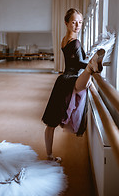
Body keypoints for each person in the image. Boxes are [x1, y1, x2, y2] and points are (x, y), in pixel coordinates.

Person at [42, 8, 105, 163]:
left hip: (65, 79)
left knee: (51, 123)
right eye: (73, 22)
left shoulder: (65, 39)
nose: (77, 25)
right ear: (66, 23)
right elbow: (77, 63)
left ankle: (49, 156)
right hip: (70, 80)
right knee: (51, 123)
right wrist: (88, 62)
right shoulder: (75, 42)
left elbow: (74, 61)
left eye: (80, 22)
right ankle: (92, 68)